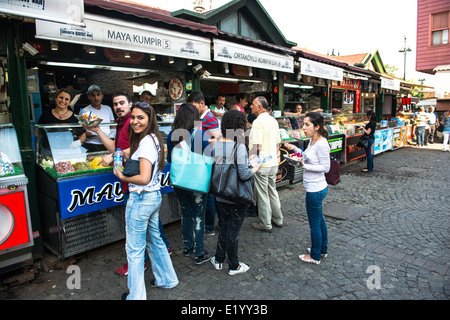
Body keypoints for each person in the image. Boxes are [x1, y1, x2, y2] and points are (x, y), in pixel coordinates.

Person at [89, 92, 172, 276]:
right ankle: (164, 260)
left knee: (136, 236)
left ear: (130, 104)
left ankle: (139, 265)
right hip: (140, 185)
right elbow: (117, 148)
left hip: (137, 185)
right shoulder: (124, 123)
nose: (118, 107)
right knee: (152, 228)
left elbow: (135, 150)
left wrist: (118, 164)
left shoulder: (136, 129)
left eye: (122, 103)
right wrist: (99, 132)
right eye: (115, 104)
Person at [114, 102, 178, 300]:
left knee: (134, 250)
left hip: (141, 199)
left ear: (150, 119)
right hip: (152, 198)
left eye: (140, 117)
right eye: (133, 117)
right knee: (155, 241)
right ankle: (167, 279)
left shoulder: (146, 142)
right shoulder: (152, 139)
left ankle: (136, 296)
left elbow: (143, 178)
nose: (134, 121)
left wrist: (123, 177)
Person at [210, 110, 261, 275]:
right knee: (233, 230)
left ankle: (218, 259)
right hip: (237, 195)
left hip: (221, 193)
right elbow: (244, 174)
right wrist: (255, 167)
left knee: (225, 226)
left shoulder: (218, 143)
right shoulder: (238, 145)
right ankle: (234, 265)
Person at [166, 103, 213, 265]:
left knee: (185, 214)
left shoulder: (172, 135)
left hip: (179, 181)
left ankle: (188, 247)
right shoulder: (199, 135)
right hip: (197, 182)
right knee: (199, 216)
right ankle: (199, 253)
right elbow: (209, 158)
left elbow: (170, 160)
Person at [284, 112, 330, 265]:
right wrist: (295, 150)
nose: (303, 127)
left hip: (315, 189)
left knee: (315, 223)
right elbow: (308, 156)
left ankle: (315, 255)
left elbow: (326, 167)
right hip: (315, 187)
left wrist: (304, 166)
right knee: (319, 220)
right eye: (303, 124)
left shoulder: (322, 143)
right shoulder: (312, 140)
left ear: (317, 126)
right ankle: (322, 249)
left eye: (307, 125)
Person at [187, 91, 221, 236]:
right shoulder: (200, 117)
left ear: (202, 103)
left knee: (210, 195)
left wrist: (205, 141)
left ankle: (209, 227)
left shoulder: (209, 118)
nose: (192, 109)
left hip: (209, 160)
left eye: (194, 106)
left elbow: (220, 138)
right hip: (202, 159)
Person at [249, 96, 283, 232]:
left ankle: (266, 223)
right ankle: (278, 219)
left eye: (253, 104)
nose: (251, 107)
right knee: (272, 191)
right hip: (273, 162)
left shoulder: (258, 122)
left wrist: (251, 163)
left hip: (262, 164)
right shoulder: (273, 121)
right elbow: (278, 144)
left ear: (259, 107)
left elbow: (256, 147)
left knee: (262, 194)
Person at [80, 85, 115, 152]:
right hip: (93, 144)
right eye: (93, 95)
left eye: (98, 94)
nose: (96, 98)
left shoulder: (108, 108)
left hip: (108, 143)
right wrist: (102, 134)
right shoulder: (85, 111)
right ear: (89, 97)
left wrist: (112, 136)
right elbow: (85, 132)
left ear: (102, 95)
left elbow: (113, 126)